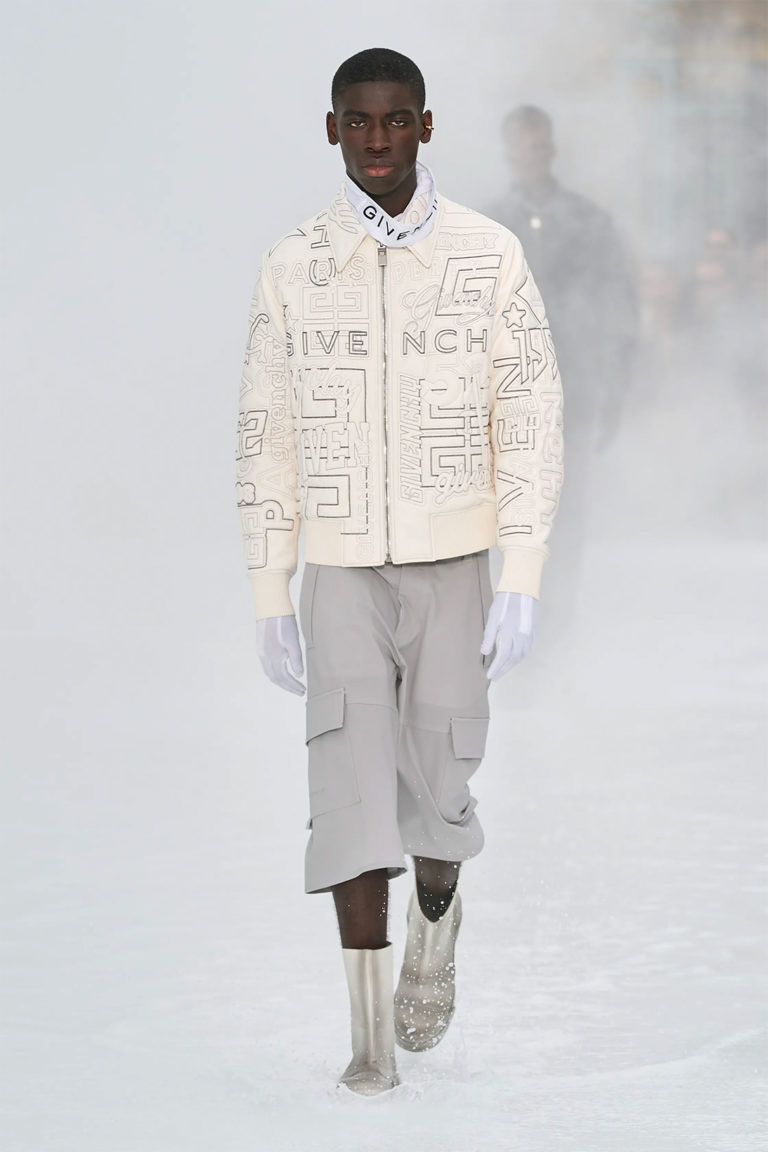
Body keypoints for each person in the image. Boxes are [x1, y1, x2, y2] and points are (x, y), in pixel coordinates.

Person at [235, 49, 564, 1097]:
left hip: (456, 560)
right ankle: (370, 1040)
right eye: (357, 121)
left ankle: (436, 916)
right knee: (347, 795)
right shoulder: (295, 264)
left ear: (426, 126)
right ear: (332, 130)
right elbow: (266, 433)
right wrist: (270, 587)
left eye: (395, 120)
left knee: (440, 788)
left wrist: (522, 570)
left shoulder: (489, 254)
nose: (376, 139)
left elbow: (531, 414)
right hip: (338, 569)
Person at [486, 105, 636, 639]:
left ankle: (553, 637)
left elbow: (620, 307)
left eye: (539, 143)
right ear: (507, 150)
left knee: (563, 518)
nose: (532, 153)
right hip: (503, 396)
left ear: (552, 147)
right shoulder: (487, 225)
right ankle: (502, 633)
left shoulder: (589, 222)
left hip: (572, 391)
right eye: (522, 144)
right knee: (500, 518)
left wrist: (615, 390)